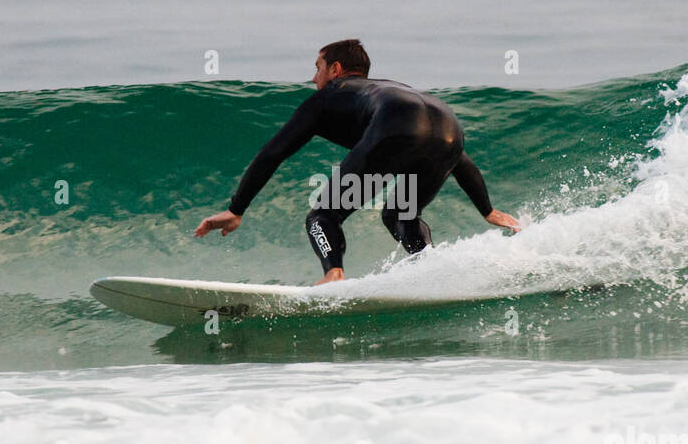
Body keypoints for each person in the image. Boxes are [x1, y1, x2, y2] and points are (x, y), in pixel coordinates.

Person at [195, 40, 521, 284]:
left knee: (323, 214)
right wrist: (487, 209)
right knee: (400, 214)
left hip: (396, 129)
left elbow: (273, 152)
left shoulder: (328, 96)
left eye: (318, 68)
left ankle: (333, 274)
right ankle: (434, 273)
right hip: (449, 129)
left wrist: (236, 208)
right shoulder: (388, 89)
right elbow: (456, 156)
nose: (313, 78)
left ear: (336, 70)